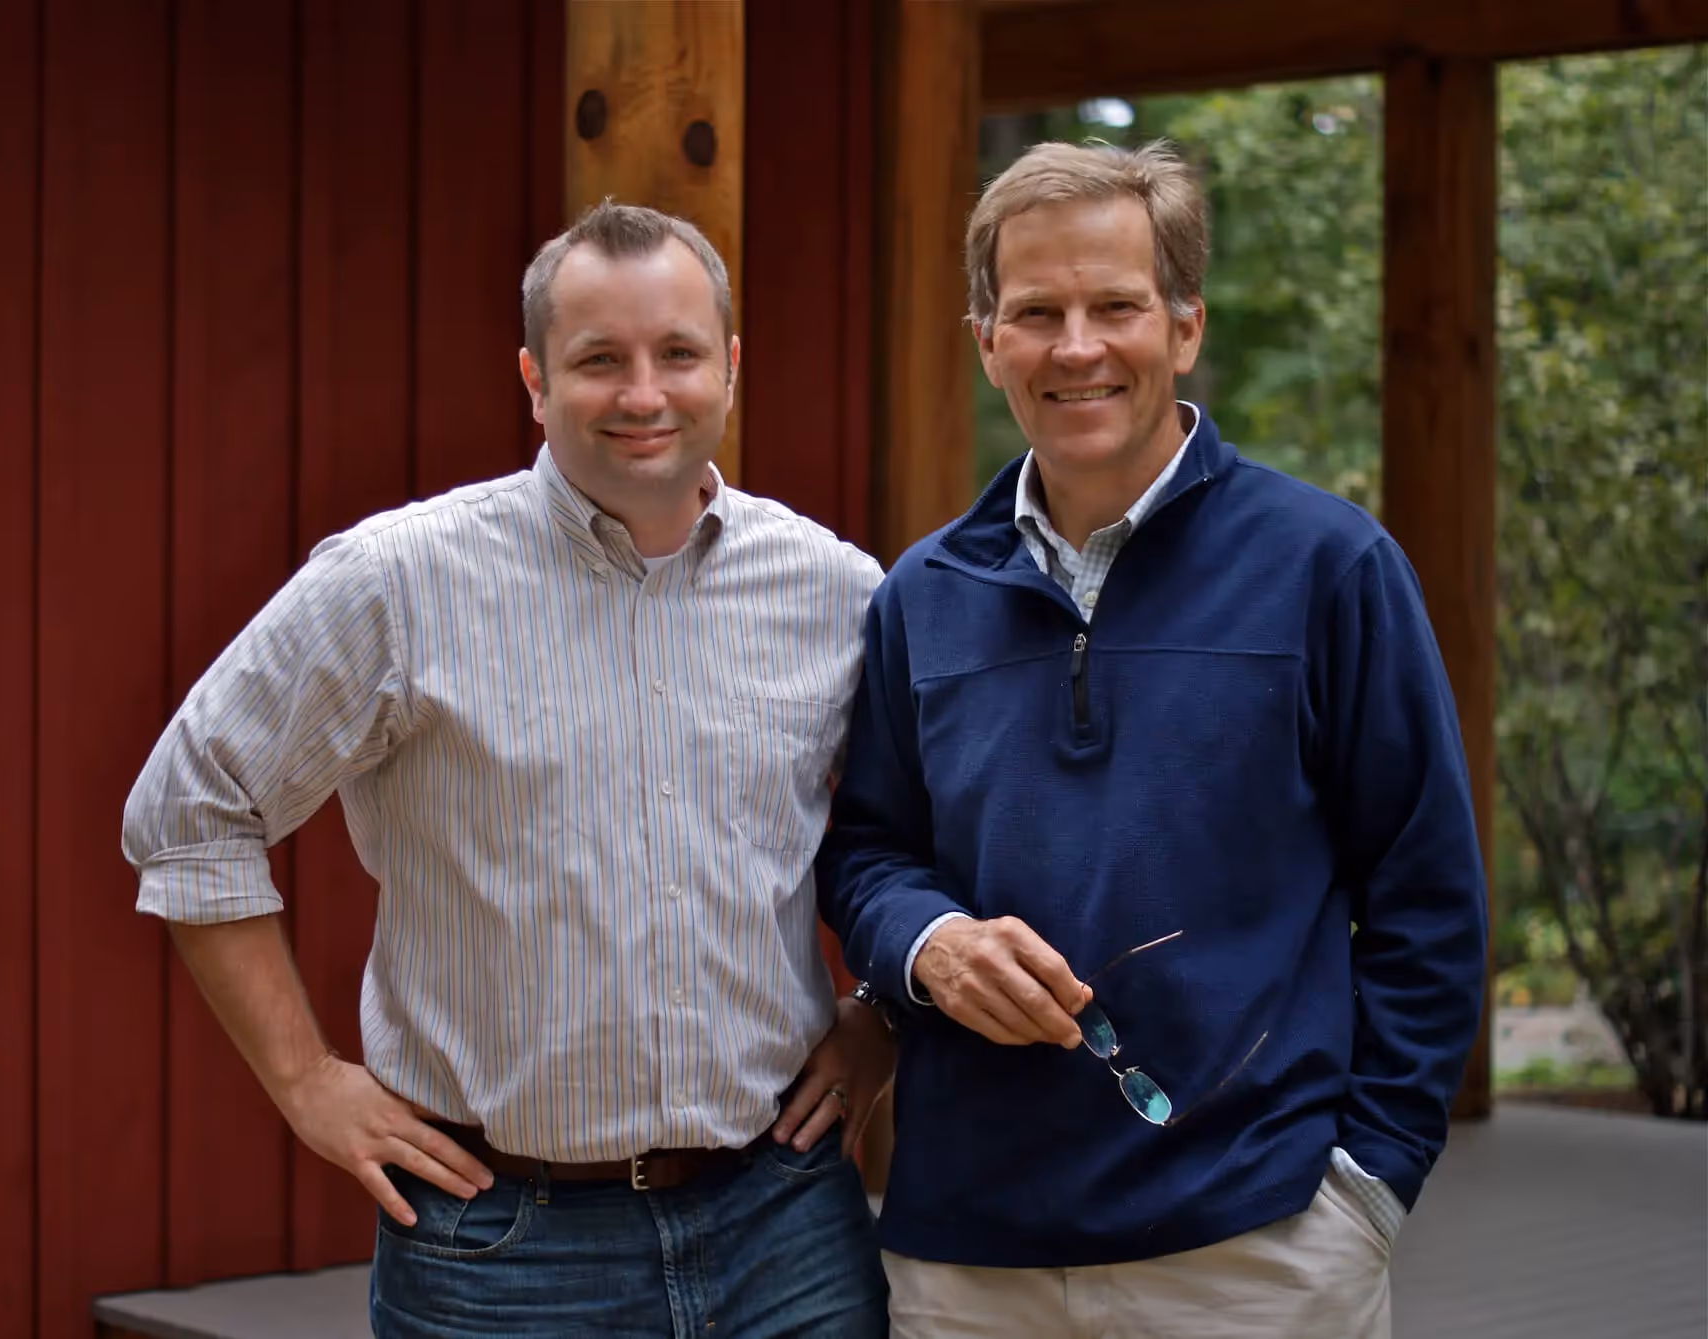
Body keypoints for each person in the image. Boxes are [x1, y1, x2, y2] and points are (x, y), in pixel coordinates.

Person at [123, 201, 891, 1338]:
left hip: (783, 1221)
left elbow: (913, 827)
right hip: (501, 1249)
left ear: (728, 367)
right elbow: (187, 811)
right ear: (534, 380)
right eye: (598, 360)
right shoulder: (396, 582)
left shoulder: (834, 590)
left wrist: (882, 1014)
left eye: (677, 353)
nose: (643, 394)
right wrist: (305, 1083)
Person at [817, 140, 1487, 1339]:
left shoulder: (1327, 569)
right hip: (970, 1261)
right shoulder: (920, 595)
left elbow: (1423, 893)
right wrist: (926, 942)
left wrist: (1366, 1186)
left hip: (1259, 1246)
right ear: (987, 343)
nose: (1075, 346)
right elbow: (866, 848)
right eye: (1034, 313)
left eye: (1112, 305)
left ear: (1181, 326)